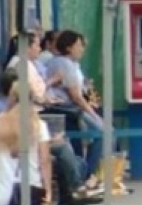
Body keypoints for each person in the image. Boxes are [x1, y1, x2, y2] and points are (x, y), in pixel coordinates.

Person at [0, 69, 102, 205]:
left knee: (72, 159)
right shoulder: (2, 112)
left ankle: (74, 203)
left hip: (30, 151)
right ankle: (77, 195)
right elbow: (13, 138)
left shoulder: (22, 111)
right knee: (63, 151)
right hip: (21, 156)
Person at [45, 30, 105, 185]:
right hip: (68, 108)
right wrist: (95, 116)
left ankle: (85, 174)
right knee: (103, 133)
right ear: (69, 47)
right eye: (78, 45)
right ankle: (86, 174)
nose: (82, 49)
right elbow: (75, 96)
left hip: (68, 108)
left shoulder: (66, 63)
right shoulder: (64, 63)